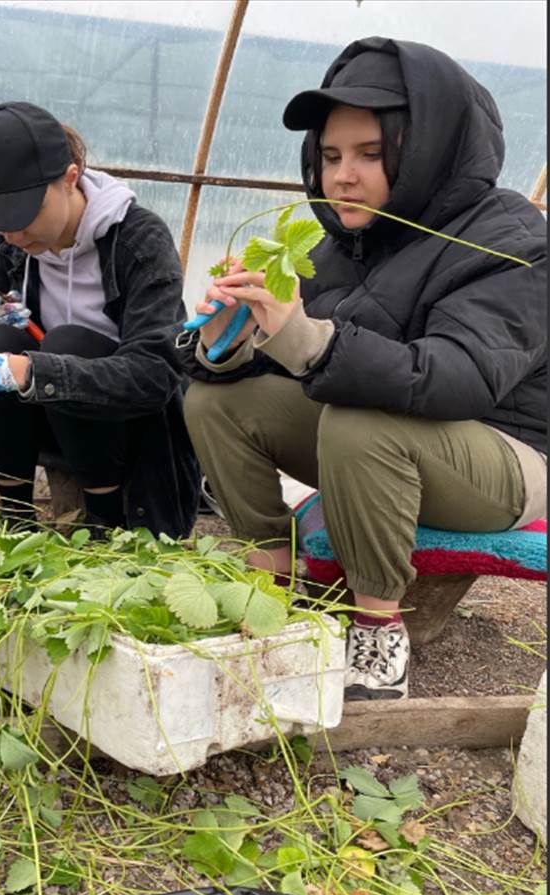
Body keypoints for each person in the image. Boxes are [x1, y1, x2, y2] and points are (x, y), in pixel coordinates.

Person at [177, 38, 547, 700]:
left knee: (358, 419)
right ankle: (271, 585)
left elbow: (455, 375)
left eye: (371, 154)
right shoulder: (340, 243)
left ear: (428, 148)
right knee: (215, 403)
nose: (341, 175)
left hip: (504, 457)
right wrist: (226, 342)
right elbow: (295, 367)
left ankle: (378, 632)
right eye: (329, 155)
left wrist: (304, 340)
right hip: (388, 443)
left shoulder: (515, 238)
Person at [0, 101, 199, 537]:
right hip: (58, 421)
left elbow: (154, 375)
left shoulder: (139, 240)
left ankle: (105, 524)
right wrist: (6, 318)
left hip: (133, 429)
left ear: (70, 179)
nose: (13, 234)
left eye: (23, 214)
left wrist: (20, 370)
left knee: (65, 346)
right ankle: (14, 516)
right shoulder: (12, 245)